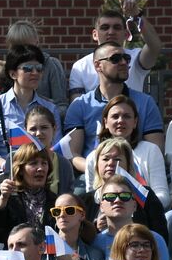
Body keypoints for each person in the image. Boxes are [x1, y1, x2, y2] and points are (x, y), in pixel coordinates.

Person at [64, 39, 165, 171]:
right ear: (98, 65)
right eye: (115, 59)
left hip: (137, 175)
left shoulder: (146, 103)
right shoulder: (80, 105)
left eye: (126, 58)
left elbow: (156, 151)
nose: (123, 62)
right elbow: (72, 154)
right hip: (92, 176)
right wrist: (100, 169)